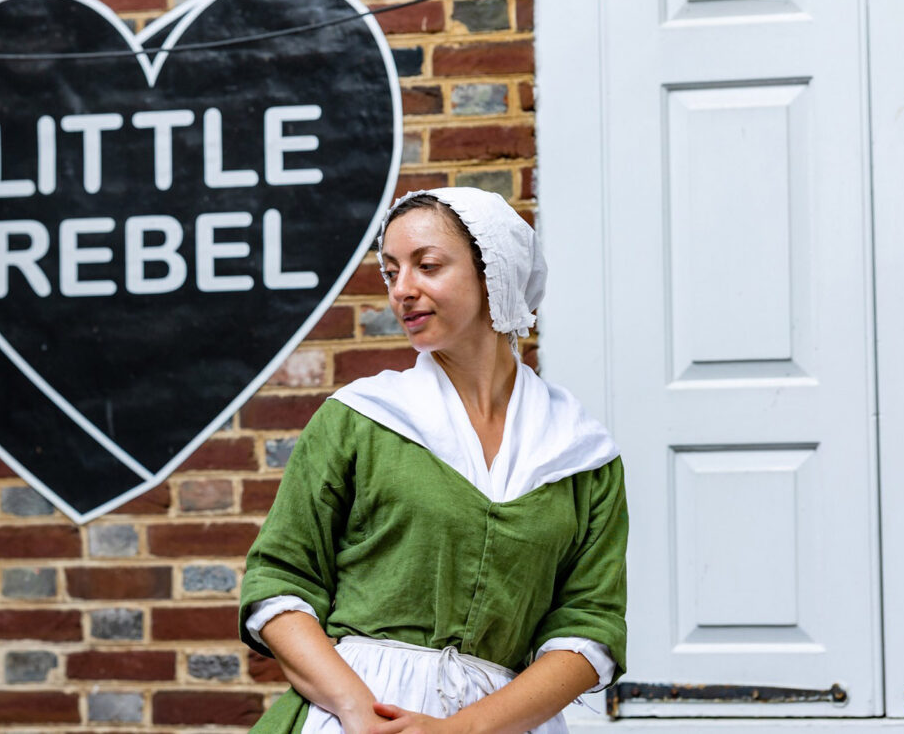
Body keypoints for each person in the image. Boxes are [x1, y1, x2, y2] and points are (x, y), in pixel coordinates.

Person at [238, 187, 628, 734]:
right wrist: (354, 707)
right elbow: (279, 581)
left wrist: (459, 729)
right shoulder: (360, 418)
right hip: (356, 717)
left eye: (428, 266)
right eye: (392, 272)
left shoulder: (580, 452)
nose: (403, 290)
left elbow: (590, 626)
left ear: (495, 271)